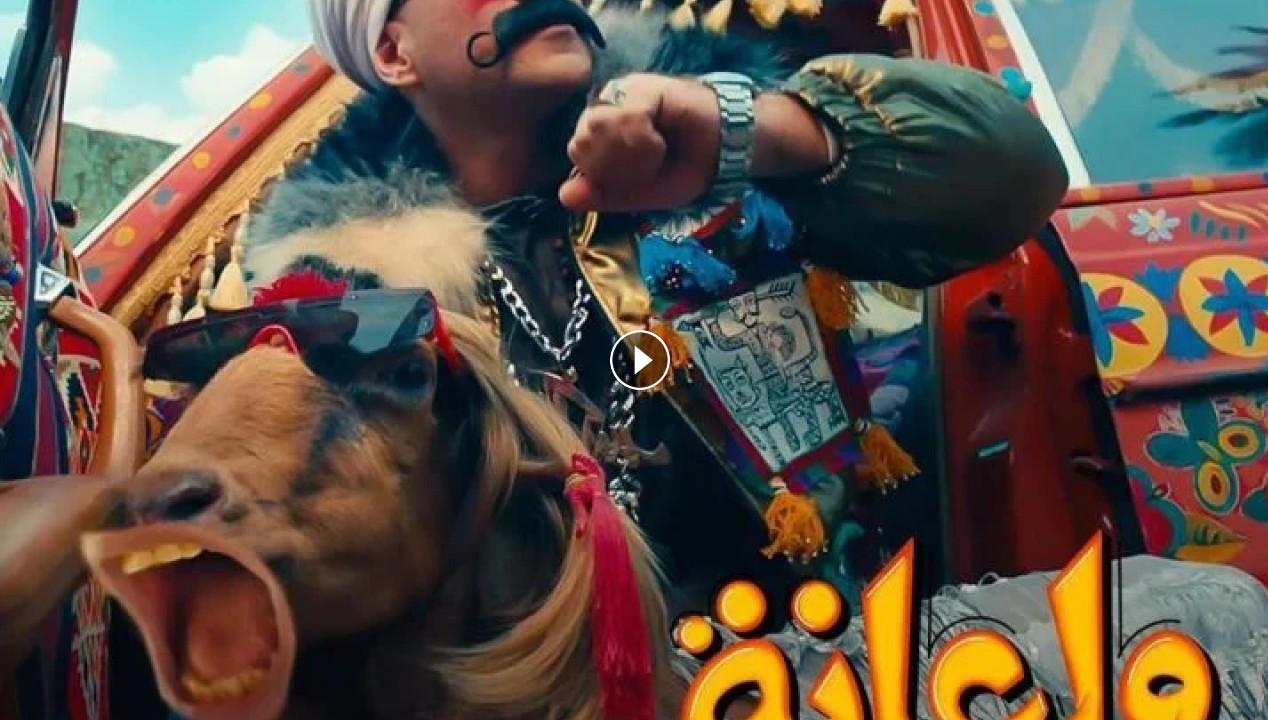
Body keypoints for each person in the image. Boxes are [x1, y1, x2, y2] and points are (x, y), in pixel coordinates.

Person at [242, 0, 1068, 617]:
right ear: (393, 52)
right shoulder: (354, 311)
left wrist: (746, 132)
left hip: (840, 651)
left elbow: (1020, 175)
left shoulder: (716, 132)